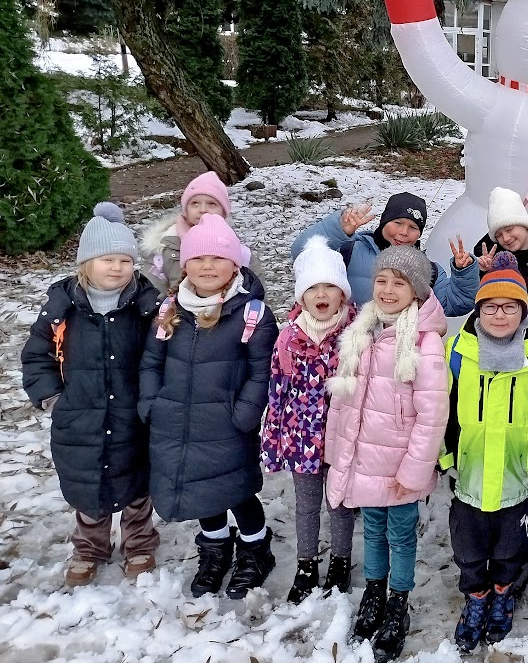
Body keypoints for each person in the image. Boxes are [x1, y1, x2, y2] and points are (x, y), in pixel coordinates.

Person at [138, 214, 278, 599]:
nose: (208, 266)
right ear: (185, 265)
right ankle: (214, 551)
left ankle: (255, 550)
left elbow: (261, 370)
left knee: (236, 491)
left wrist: (245, 414)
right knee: (201, 491)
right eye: (199, 259)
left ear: (235, 264)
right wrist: (152, 403)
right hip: (177, 421)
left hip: (227, 424)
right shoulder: (170, 311)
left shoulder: (251, 315)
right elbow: (152, 362)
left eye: (218, 258)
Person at [21, 204, 161, 587]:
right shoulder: (62, 309)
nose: (116, 267)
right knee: (88, 486)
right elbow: (37, 355)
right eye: (106, 259)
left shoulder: (146, 307)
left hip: (132, 415)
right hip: (79, 415)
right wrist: (53, 398)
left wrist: (153, 401)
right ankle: (89, 548)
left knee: (137, 483)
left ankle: (139, 543)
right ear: (86, 263)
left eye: (124, 260)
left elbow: (160, 355)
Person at [324, 246, 448, 663]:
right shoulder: (361, 332)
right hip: (363, 460)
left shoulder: (423, 343)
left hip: (398, 465)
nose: (389, 290)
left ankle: (399, 600)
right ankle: (374, 591)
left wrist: (414, 472)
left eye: (400, 283)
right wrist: (336, 452)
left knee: (400, 533)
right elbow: (343, 401)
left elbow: (432, 416)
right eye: (382, 281)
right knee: (372, 530)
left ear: (416, 290)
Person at [441, 253, 528, 652]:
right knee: (469, 548)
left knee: (511, 548)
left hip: (515, 477)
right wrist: (446, 459)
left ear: (524, 312)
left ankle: (502, 594)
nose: (499, 315)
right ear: (478, 310)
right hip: (469, 476)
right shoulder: (458, 351)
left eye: (510, 307)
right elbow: (440, 406)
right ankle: (476, 598)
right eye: (491, 307)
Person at [261, 236, 359, 604]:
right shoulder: (288, 338)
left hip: (340, 437)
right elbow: (277, 391)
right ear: (300, 296)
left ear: (342, 294)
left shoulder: (355, 335)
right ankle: (306, 565)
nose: (321, 294)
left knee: (340, 502)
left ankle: (340, 560)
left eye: (330, 287)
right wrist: (274, 440)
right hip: (301, 436)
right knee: (306, 504)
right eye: (313, 287)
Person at [290, 192, 479, 315]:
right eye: (397, 223)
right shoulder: (350, 250)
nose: (404, 232)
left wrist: (465, 273)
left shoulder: (427, 270)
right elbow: (302, 252)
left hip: (393, 360)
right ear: (384, 222)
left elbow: (456, 304)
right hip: (347, 350)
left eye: (413, 227)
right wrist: (338, 230)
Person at [139, 171, 255, 296]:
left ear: (223, 211)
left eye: (212, 204)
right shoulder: (164, 248)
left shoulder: (237, 249)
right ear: (185, 209)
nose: (203, 210)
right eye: (195, 203)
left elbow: (255, 291)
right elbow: (150, 295)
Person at [473, 187, 528, 309]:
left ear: (524, 225)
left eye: (509, 229)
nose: (506, 238)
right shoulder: (492, 262)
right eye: (499, 235)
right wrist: (485, 273)